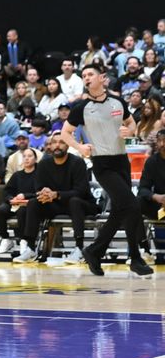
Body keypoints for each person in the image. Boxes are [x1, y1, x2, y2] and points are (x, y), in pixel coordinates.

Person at [61, 63, 152, 276]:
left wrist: (129, 131)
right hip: (102, 164)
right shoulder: (81, 108)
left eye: (90, 74)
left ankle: (94, 251)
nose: (86, 78)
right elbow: (65, 133)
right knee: (131, 205)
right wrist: (80, 147)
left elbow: (133, 126)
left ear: (102, 78)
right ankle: (136, 258)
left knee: (121, 209)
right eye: (83, 75)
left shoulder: (118, 102)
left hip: (122, 161)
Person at [15, 132, 98, 264]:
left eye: (61, 142)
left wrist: (57, 194)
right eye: (54, 142)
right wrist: (44, 193)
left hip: (82, 204)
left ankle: (79, 248)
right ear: (50, 145)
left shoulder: (77, 162)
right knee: (33, 203)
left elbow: (81, 191)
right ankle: (30, 248)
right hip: (55, 204)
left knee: (74, 201)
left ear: (68, 145)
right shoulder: (44, 163)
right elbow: (39, 188)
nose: (57, 145)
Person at [0, 148, 39, 257]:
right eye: (24, 156)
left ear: (35, 159)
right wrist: (11, 199)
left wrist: (25, 196)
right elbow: (7, 191)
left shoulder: (39, 175)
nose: (27, 158)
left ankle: (24, 240)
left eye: (30, 156)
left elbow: (40, 192)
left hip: (30, 205)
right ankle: (5, 238)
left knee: (22, 211)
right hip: (15, 203)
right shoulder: (17, 175)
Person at [136, 130, 165, 265]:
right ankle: (145, 250)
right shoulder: (152, 162)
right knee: (136, 204)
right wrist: (155, 196)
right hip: (160, 206)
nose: (163, 144)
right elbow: (142, 189)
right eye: (160, 141)